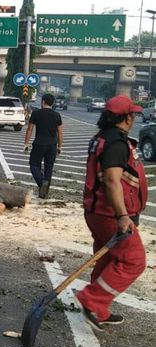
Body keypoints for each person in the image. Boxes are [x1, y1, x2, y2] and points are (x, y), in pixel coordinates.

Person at [77, 95, 147, 331]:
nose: (134, 119)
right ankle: (93, 300)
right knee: (133, 260)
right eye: (133, 115)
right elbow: (111, 181)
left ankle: (99, 309)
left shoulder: (101, 138)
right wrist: (122, 216)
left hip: (96, 211)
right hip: (109, 213)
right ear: (126, 117)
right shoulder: (116, 143)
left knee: (107, 258)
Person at [23, 93, 63, 199]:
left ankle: (41, 183)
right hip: (52, 145)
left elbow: (30, 129)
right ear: (52, 103)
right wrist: (59, 146)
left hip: (39, 144)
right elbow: (60, 133)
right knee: (48, 168)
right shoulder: (57, 115)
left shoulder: (36, 113)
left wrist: (26, 144)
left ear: (43, 101)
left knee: (34, 165)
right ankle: (44, 193)